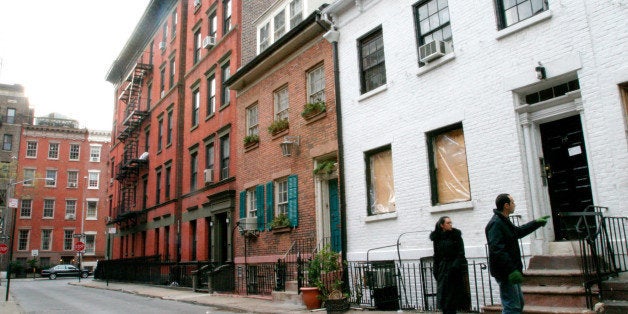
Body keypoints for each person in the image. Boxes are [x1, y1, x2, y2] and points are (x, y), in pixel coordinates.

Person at [485, 194, 550, 313]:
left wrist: (536, 223)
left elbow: (518, 232)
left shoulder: (504, 221)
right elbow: (497, 249)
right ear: (506, 205)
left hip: (510, 270)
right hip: (505, 272)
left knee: (518, 304)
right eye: (513, 202)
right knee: (512, 307)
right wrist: (511, 270)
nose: (514, 204)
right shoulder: (496, 224)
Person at [430, 216, 471, 314]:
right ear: (442, 225)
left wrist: (455, 266)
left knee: (452, 299)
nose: (450, 224)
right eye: (448, 223)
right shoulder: (437, 238)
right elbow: (436, 255)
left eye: (451, 222)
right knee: (444, 298)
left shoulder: (456, 236)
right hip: (442, 269)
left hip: (454, 270)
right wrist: (436, 270)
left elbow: (461, 253)